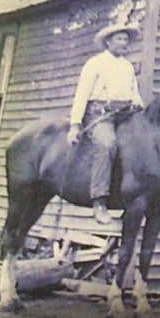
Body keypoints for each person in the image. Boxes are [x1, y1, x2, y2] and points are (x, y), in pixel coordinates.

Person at [67, 22, 144, 224]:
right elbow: (82, 94)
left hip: (125, 115)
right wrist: (75, 124)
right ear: (108, 42)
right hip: (99, 115)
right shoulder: (95, 63)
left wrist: (138, 103)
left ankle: (133, 194)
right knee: (107, 144)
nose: (124, 43)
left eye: (126, 39)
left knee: (141, 143)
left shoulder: (127, 66)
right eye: (119, 39)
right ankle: (99, 200)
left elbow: (134, 92)